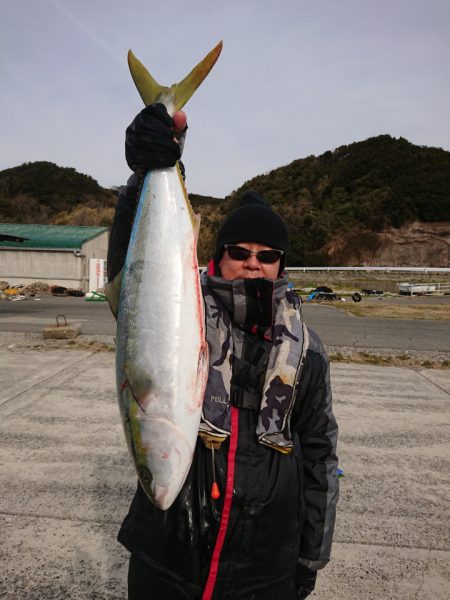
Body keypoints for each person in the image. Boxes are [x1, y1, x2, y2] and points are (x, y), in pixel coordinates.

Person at [107, 104, 339, 600]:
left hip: (264, 571)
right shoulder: (181, 314)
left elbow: (319, 455)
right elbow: (133, 282)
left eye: (267, 255)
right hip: (168, 562)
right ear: (216, 254)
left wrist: (310, 556)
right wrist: (149, 171)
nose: (253, 265)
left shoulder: (308, 353)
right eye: (239, 253)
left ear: (280, 264)